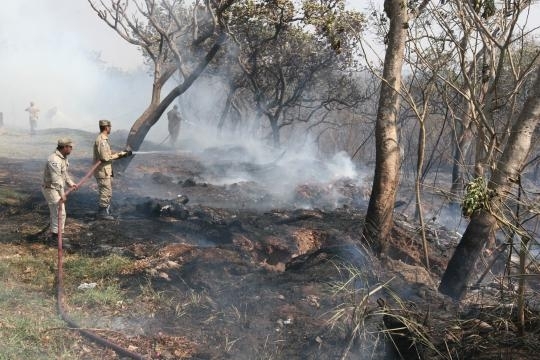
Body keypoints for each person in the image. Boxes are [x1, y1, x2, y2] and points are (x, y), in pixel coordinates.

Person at [93, 119, 132, 220]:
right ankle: (102, 213)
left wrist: (123, 153)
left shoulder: (104, 139)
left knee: (107, 191)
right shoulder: (101, 140)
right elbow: (105, 157)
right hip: (102, 171)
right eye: (110, 127)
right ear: (106, 127)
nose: (110, 129)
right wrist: (121, 155)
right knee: (105, 191)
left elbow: (107, 154)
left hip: (105, 170)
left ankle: (105, 210)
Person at [42, 138, 78, 242]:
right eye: (70, 147)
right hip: (50, 188)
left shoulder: (63, 158)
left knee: (58, 211)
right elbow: (56, 179)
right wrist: (62, 194)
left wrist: (71, 183)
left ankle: (57, 235)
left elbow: (64, 173)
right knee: (59, 212)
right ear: (65, 147)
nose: (72, 149)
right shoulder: (54, 159)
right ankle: (55, 237)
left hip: (55, 187)